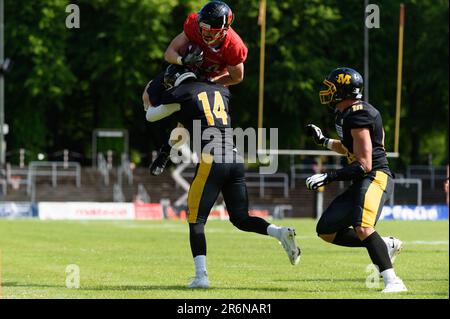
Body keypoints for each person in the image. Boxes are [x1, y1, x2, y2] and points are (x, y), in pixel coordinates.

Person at [146, 64, 301, 288]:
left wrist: (149, 92)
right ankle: (279, 233)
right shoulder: (219, 91)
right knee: (240, 218)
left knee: (195, 219)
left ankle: (201, 277)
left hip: (212, 159)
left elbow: (151, 115)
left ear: (178, 80)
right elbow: (181, 128)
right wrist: (165, 151)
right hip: (235, 160)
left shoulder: (181, 93)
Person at [305, 67, 407, 293]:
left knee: (363, 227)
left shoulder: (359, 114)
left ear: (342, 90)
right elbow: (348, 147)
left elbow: (364, 163)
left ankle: (394, 281)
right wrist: (323, 141)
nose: (327, 91)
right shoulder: (345, 114)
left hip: (375, 177)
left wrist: (329, 176)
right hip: (362, 179)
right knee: (326, 230)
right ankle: (385, 244)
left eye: (331, 88)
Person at [148, 0, 248, 175]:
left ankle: (166, 150)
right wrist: (182, 60)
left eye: (211, 30)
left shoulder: (234, 46)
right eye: (204, 27)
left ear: (224, 31)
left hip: (210, 80)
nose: (205, 32)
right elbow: (169, 53)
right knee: (147, 96)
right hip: (184, 70)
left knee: (185, 123)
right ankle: (169, 142)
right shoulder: (194, 26)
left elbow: (237, 77)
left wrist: (209, 84)